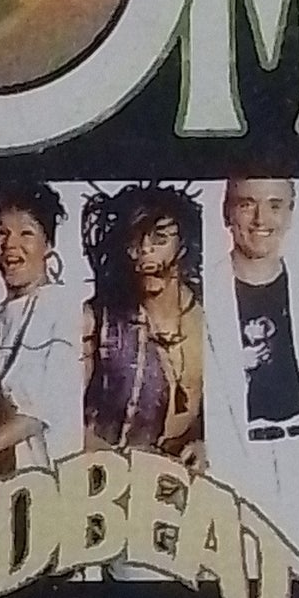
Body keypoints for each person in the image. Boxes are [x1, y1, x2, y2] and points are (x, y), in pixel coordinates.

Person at [204, 175, 299, 568]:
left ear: (290, 213)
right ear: (226, 212)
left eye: (274, 205)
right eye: (246, 204)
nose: (260, 219)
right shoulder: (200, 291)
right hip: (234, 462)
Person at [0, 181, 81, 506]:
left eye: (26, 233)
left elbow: (39, 411)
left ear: (48, 244)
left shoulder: (58, 308)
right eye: (1, 233)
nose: (10, 245)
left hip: (44, 490)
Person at [80, 182, 207, 463]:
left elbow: (230, 408)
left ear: (183, 245)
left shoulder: (210, 317)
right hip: (107, 473)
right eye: (134, 240)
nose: (145, 250)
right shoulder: (97, 319)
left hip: (182, 476)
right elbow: (62, 414)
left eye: (159, 239)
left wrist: (205, 445)